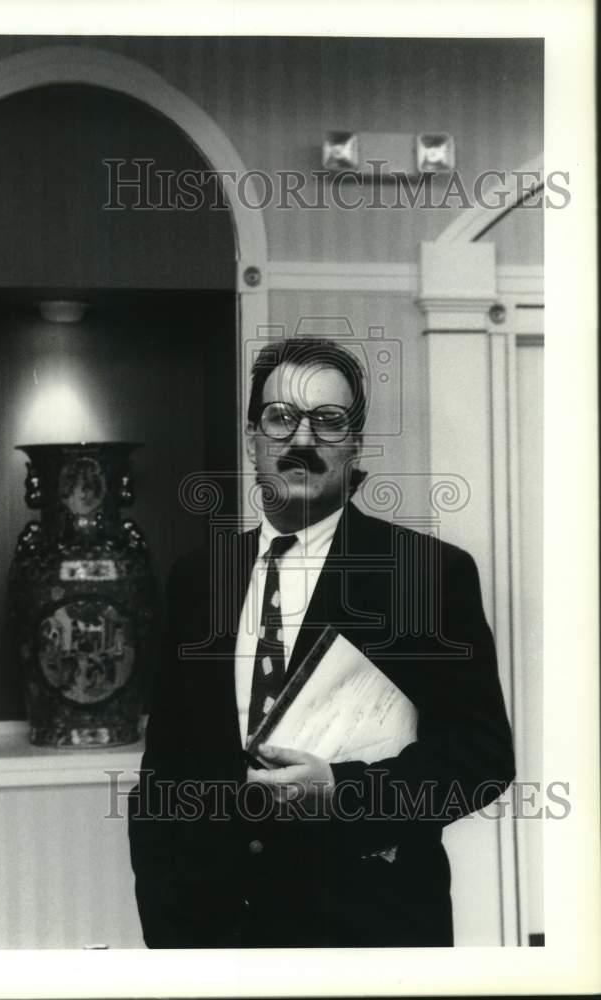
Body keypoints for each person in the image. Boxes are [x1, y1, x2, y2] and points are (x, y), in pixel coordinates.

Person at [128, 337, 515, 948]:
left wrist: (344, 793)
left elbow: (482, 759)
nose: (301, 441)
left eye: (327, 421)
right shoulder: (198, 578)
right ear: (254, 437)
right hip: (215, 934)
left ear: (355, 443)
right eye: (281, 418)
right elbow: (165, 767)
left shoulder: (425, 576)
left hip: (367, 929)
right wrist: (164, 918)